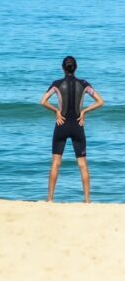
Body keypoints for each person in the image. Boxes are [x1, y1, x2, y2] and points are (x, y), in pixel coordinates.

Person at [40, 56, 104, 203]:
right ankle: (87, 200)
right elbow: (100, 102)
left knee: (56, 163)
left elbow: (42, 101)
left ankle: (50, 199)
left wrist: (56, 111)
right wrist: (84, 112)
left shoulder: (56, 84)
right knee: (82, 164)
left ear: (63, 68)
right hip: (77, 125)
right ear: (75, 68)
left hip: (61, 125)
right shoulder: (84, 84)